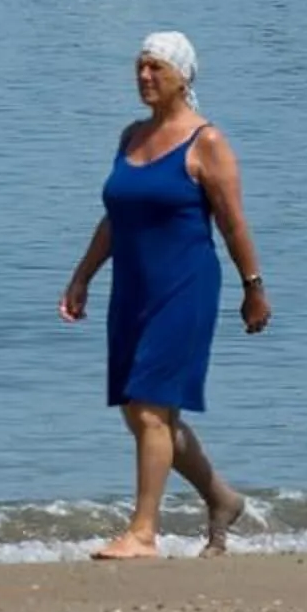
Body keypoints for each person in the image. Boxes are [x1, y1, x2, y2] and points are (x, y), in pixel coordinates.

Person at [58, 31, 271, 560]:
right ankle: (221, 498)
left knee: (153, 410)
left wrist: (254, 288)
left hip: (185, 288)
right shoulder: (131, 136)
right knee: (140, 412)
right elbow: (116, 217)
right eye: (140, 67)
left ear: (183, 76)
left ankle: (143, 532)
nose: (145, 77)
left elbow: (234, 223)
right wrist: (82, 275)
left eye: (156, 68)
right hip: (131, 288)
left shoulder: (207, 143)